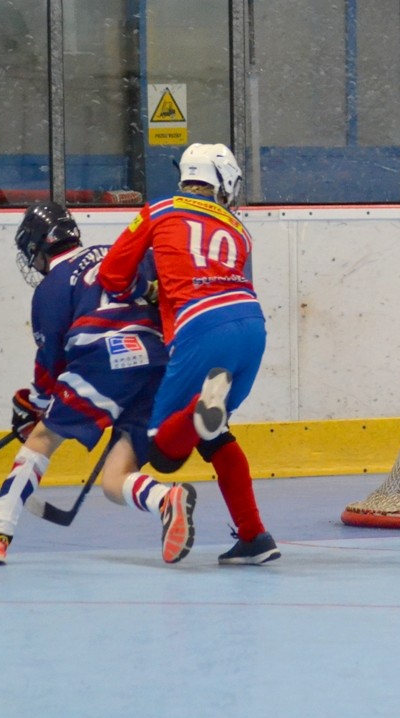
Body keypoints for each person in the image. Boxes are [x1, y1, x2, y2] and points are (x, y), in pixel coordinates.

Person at [0, 202, 197, 566]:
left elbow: (51, 363)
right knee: (116, 478)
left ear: (38, 248)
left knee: (41, 440)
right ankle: (164, 499)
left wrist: (37, 405)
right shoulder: (118, 252)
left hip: (103, 360)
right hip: (159, 364)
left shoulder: (50, 287)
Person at [97, 142, 279, 565]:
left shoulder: (159, 210)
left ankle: (199, 408)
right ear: (223, 180)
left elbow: (112, 275)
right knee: (216, 436)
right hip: (251, 326)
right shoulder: (239, 230)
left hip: (200, 327)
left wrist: (146, 290)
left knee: (163, 453)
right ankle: (254, 537)